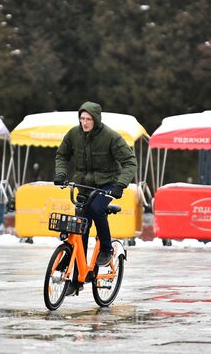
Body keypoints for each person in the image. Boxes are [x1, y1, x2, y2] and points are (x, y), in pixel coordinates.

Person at [54, 101, 137, 295]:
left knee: (96, 209)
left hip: (108, 184)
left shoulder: (110, 137)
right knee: (79, 225)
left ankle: (106, 249)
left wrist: (120, 185)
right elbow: (62, 155)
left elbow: (130, 162)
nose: (84, 123)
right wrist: (60, 174)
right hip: (84, 184)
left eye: (88, 119)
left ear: (96, 119)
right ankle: (77, 280)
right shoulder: (74, 134)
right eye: (82, 118)